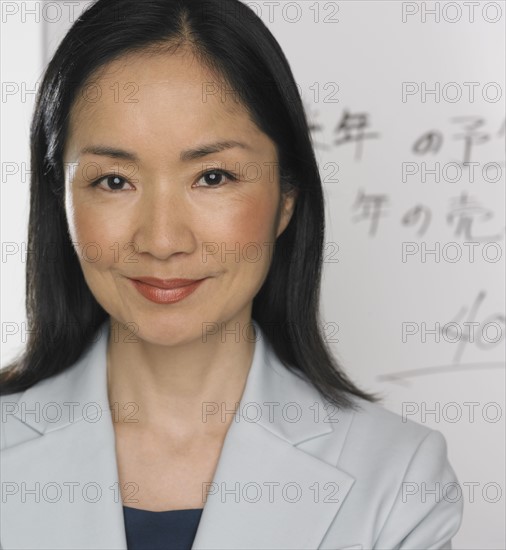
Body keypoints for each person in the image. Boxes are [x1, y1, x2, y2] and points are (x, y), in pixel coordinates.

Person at [0, 0, 463, 548]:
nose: (163, 241)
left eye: (213, 176)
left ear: (287, 195)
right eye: (114, 181)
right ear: (61, 197)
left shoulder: (398, 479)